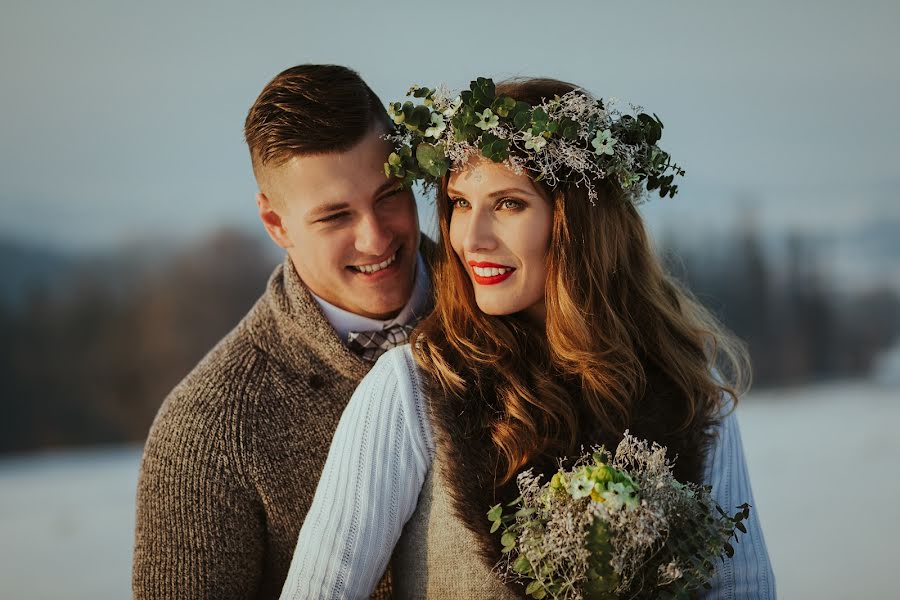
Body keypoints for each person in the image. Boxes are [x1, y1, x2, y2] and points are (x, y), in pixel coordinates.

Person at [279, 77, 776, 599]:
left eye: (509, 204)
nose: (471, 239)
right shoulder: (412, 389)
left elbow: (744, 588)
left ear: (576, 221)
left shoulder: (686, 385)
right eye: (460, 204)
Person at [132, 64, 433, 599]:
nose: (376, 237)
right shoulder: (211, 429)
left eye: (389, 194)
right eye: (336, 216)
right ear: (276, 224)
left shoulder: (527, 317)